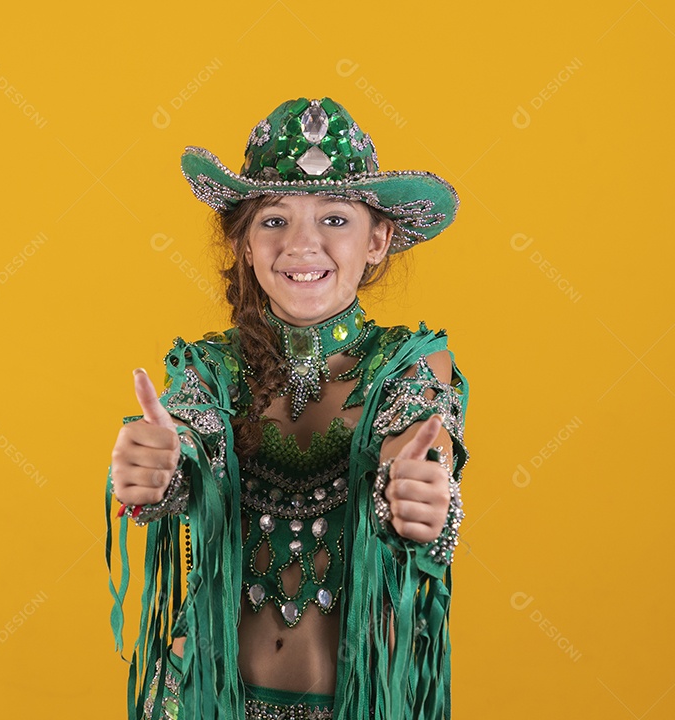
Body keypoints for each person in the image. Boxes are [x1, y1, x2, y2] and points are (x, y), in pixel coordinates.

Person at [105, 96, 471, 720]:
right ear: (244, 243)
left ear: (378, 239)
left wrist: (416, 492)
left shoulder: (409, 365)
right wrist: (156, 471)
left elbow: (413, 444)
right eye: (273, 220)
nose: (303, 244)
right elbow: (186, 443)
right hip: (198, 702)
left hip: (353, 706)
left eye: (334, 219)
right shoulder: (206, 371)